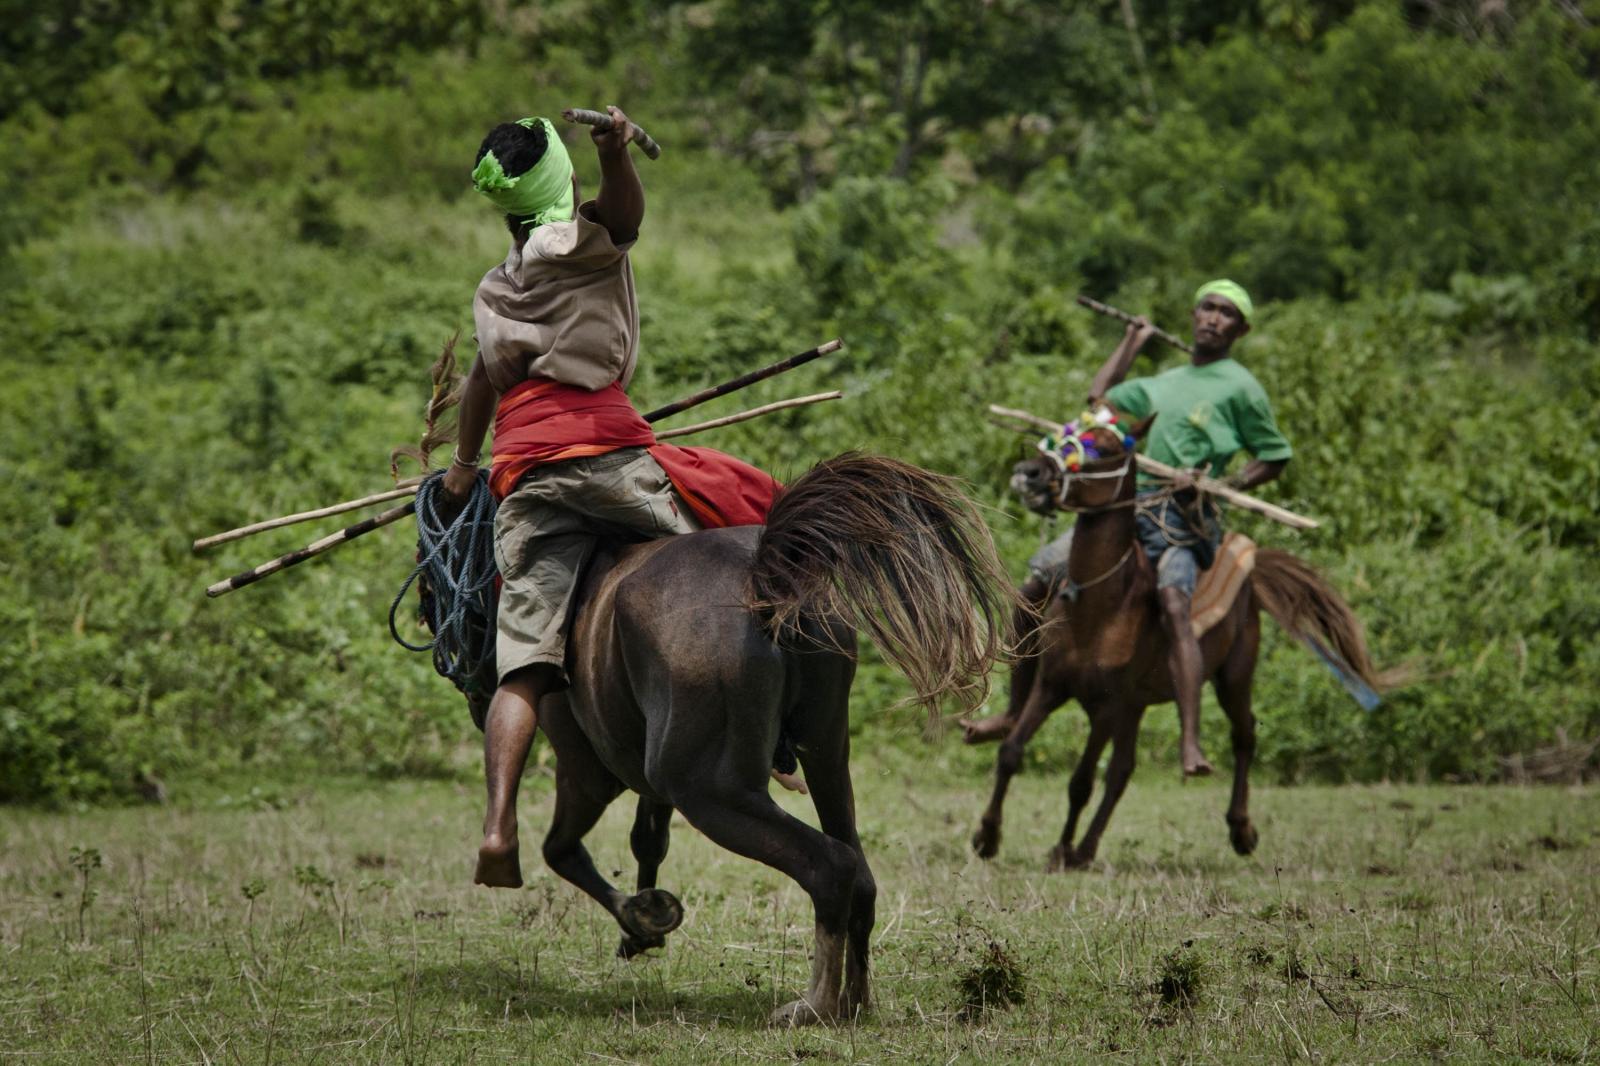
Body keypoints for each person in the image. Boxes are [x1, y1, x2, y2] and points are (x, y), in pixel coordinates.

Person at [441, 108, 782, 889]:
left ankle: (498, 830)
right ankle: (776, 731)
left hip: (526, 477)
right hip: (613, 463)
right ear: (561, 178)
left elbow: (483, 383)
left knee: (522, 661)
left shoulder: (498, 282)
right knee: (728, 559)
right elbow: (622, 214)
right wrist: (615, 153)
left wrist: (464, 466)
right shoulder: (577, 242)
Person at [964, 281, 1291, 777]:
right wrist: (1132, 343)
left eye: (1226, 313)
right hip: (1123, 512)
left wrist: (1219, 481)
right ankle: (1012, 711)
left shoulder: (1242, 388)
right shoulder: (1162, 382)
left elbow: (1274, 456)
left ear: (1241, 329)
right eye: (1207, 307)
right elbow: (1098, 402)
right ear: (1193, 312)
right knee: (1031, 588)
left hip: (1181, 519)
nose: (1213, 318)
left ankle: (1190, 742)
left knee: (1176, 602)